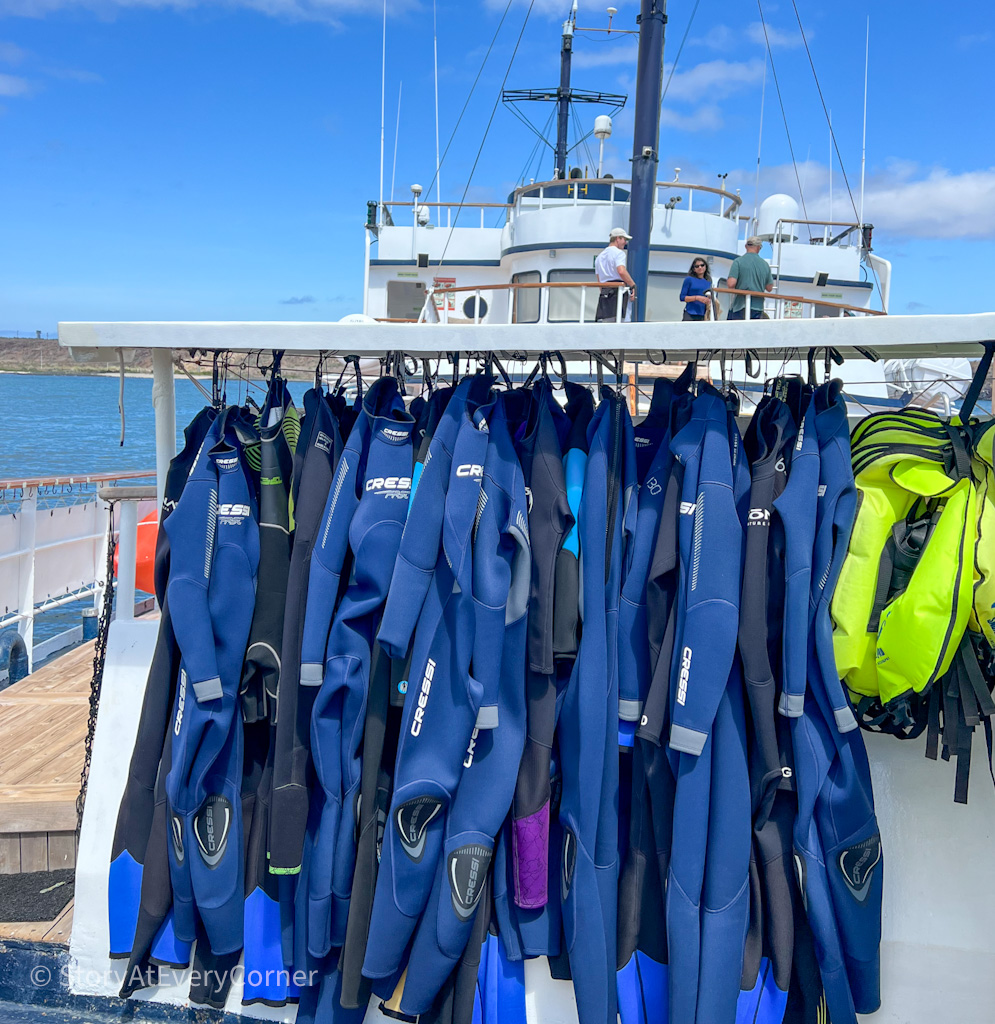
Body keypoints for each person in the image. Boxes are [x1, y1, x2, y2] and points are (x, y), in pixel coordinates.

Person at [726, 236, 774, 319]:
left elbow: (731, 283)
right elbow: (769, 288)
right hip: (758, 307)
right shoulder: (765, 265)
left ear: (746, 246)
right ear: (759, 248)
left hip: (740, 305)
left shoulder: (738, 261)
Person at [595, 227, 636, 322]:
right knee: (622, 323)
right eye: (624, 239)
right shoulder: (619, 253)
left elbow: (599, 280)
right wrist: (632, 285)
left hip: (605, 295)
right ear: (618, 238)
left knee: (607, 324)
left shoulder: (599, 257)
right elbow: (621, 271)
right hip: (618, 293)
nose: (625, 243)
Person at [679, 257, 713, 321]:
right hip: (690, 313)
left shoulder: (708, 281)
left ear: (706, 267)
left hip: (703, 314)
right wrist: (697, 298)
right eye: (697, 266)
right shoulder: (689, 279)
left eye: (702, 265)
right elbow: (682, 297)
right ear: (694, 269)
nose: (700, 267)